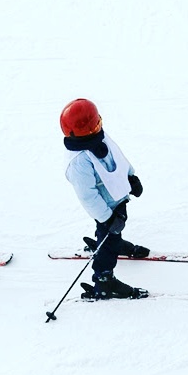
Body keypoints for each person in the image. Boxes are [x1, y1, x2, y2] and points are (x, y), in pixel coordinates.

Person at [60, 98, 148, 300]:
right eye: (96, 123)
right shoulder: (78, 162)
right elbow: (88, 196)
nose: (100, 125)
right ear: (86, 130)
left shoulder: (98, 138)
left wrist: (131, 177)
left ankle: (113, 240)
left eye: (99, 120)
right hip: (105, 207)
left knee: (116, 228)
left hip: (116, 198)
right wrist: (107, 219)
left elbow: (118, 157)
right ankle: (104, 280)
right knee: (110, 234)